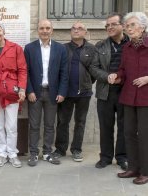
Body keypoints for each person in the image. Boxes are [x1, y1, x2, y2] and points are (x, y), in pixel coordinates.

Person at [109, 12, 148, 185]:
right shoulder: (127, 47)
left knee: (145, 135)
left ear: (143, 27)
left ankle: (145, 172)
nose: (129, 28)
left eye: (132, 25)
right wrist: (116, 76)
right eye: (127, 25)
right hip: (129, 96)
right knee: (129, 133)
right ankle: (133, 168)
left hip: (146, 97)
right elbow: (123, 70)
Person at [24, 19, 68, 166]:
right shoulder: (29, 48)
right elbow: (26, 72)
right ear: (38, 30)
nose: (44, 31)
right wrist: (29, 90)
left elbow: (64, 73)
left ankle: (48, 153)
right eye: (42, 28)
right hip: (35, 93)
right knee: (34, 125)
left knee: (50, 125)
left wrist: (62, 92)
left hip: (52, 93)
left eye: (47, 28)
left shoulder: (60, 49)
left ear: (52, 30)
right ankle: (34, 154)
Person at [0, 21, 27, 168]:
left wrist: (22, 88)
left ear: (3, 32)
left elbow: (22, 70)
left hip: (11, 89)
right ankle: (1, 153)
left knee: (12, 125)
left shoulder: (15, 48)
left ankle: (12, 153)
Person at [89, 13, 128, 170]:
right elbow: (93, 67)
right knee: (105, 126)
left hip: (126, 91)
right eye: (107, 26)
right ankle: (105, 157)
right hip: (106, 91)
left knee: (125, 126)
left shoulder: (131, 44)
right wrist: (107, 77)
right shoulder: (101, 46)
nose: (109, 28)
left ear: (123, 25)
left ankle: (122, 157)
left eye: (113, 24)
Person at [54, 22, 96, 162]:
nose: (76, 31)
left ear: (85, 32)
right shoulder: (62, 48)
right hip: (65, 93)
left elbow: (94, 70)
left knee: (80, 122)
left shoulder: (92, 49)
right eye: (74, 28)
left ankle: (77, 150)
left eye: (80, 29)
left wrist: (86, 82)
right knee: (62, 121)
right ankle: (60, 149)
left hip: (84, 93)